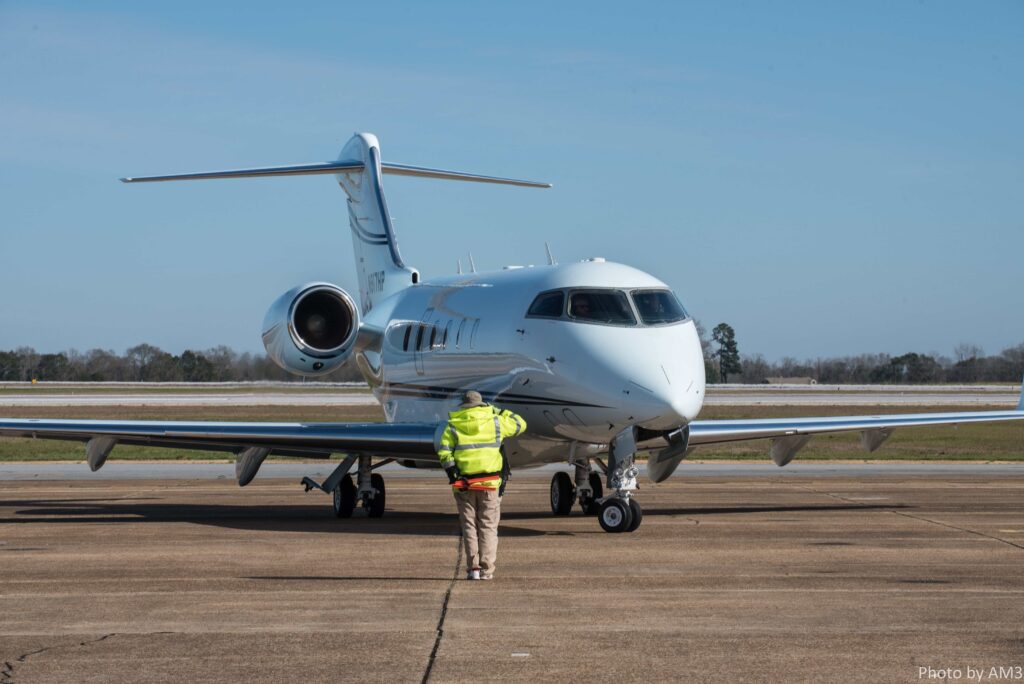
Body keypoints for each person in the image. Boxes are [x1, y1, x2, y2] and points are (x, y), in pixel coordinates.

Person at [438, 390, 526, 580]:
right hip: (489, 484)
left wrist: (451, 470)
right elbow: (520, 423)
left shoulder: (453, 425)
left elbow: (444, 452)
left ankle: (474, 569)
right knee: (488, 527)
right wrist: (498, 411)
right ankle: (487, 570)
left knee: (469, 527)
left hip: (464, 485)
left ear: (463, 405)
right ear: (482, 404)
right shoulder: (495, 422)